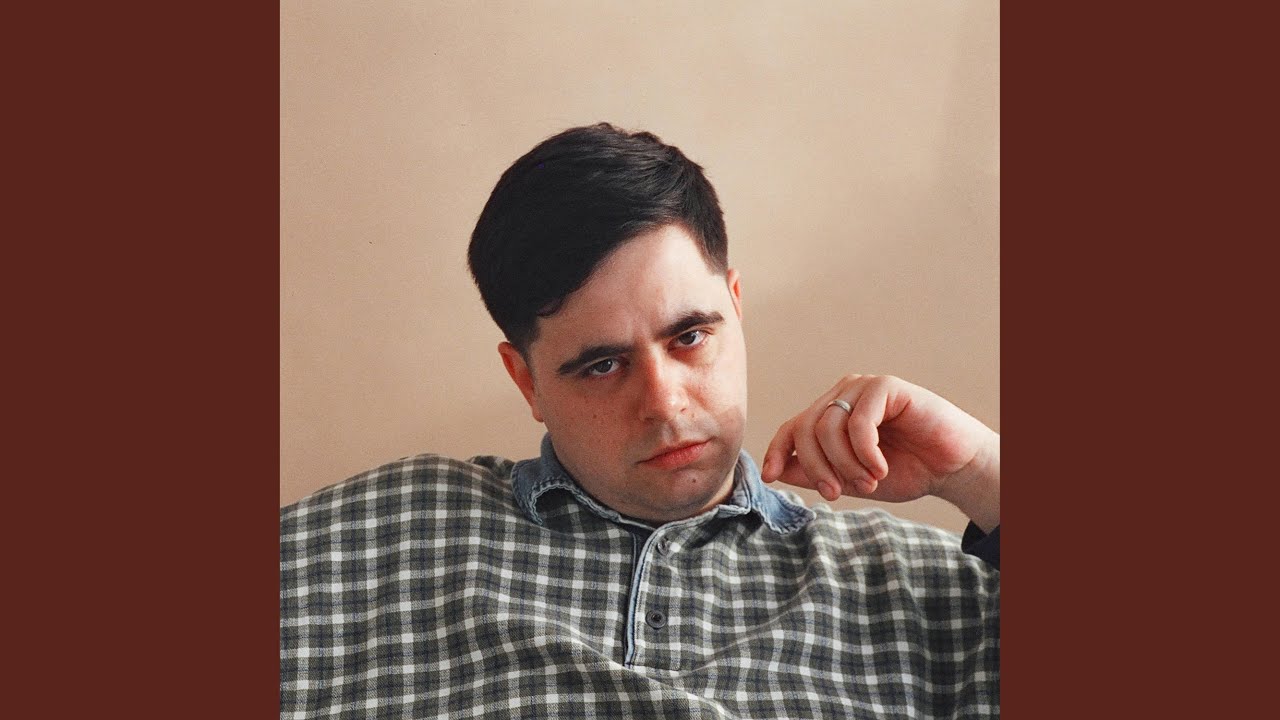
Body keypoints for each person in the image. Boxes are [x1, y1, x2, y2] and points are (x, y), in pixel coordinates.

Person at [280, 123, 1000, 718]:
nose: (665, 403)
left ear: (736, 306)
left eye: (690, 336)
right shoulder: (377, 541)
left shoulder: (911, 589)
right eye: (602, 365)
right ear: (526, 380)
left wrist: (981, 472)